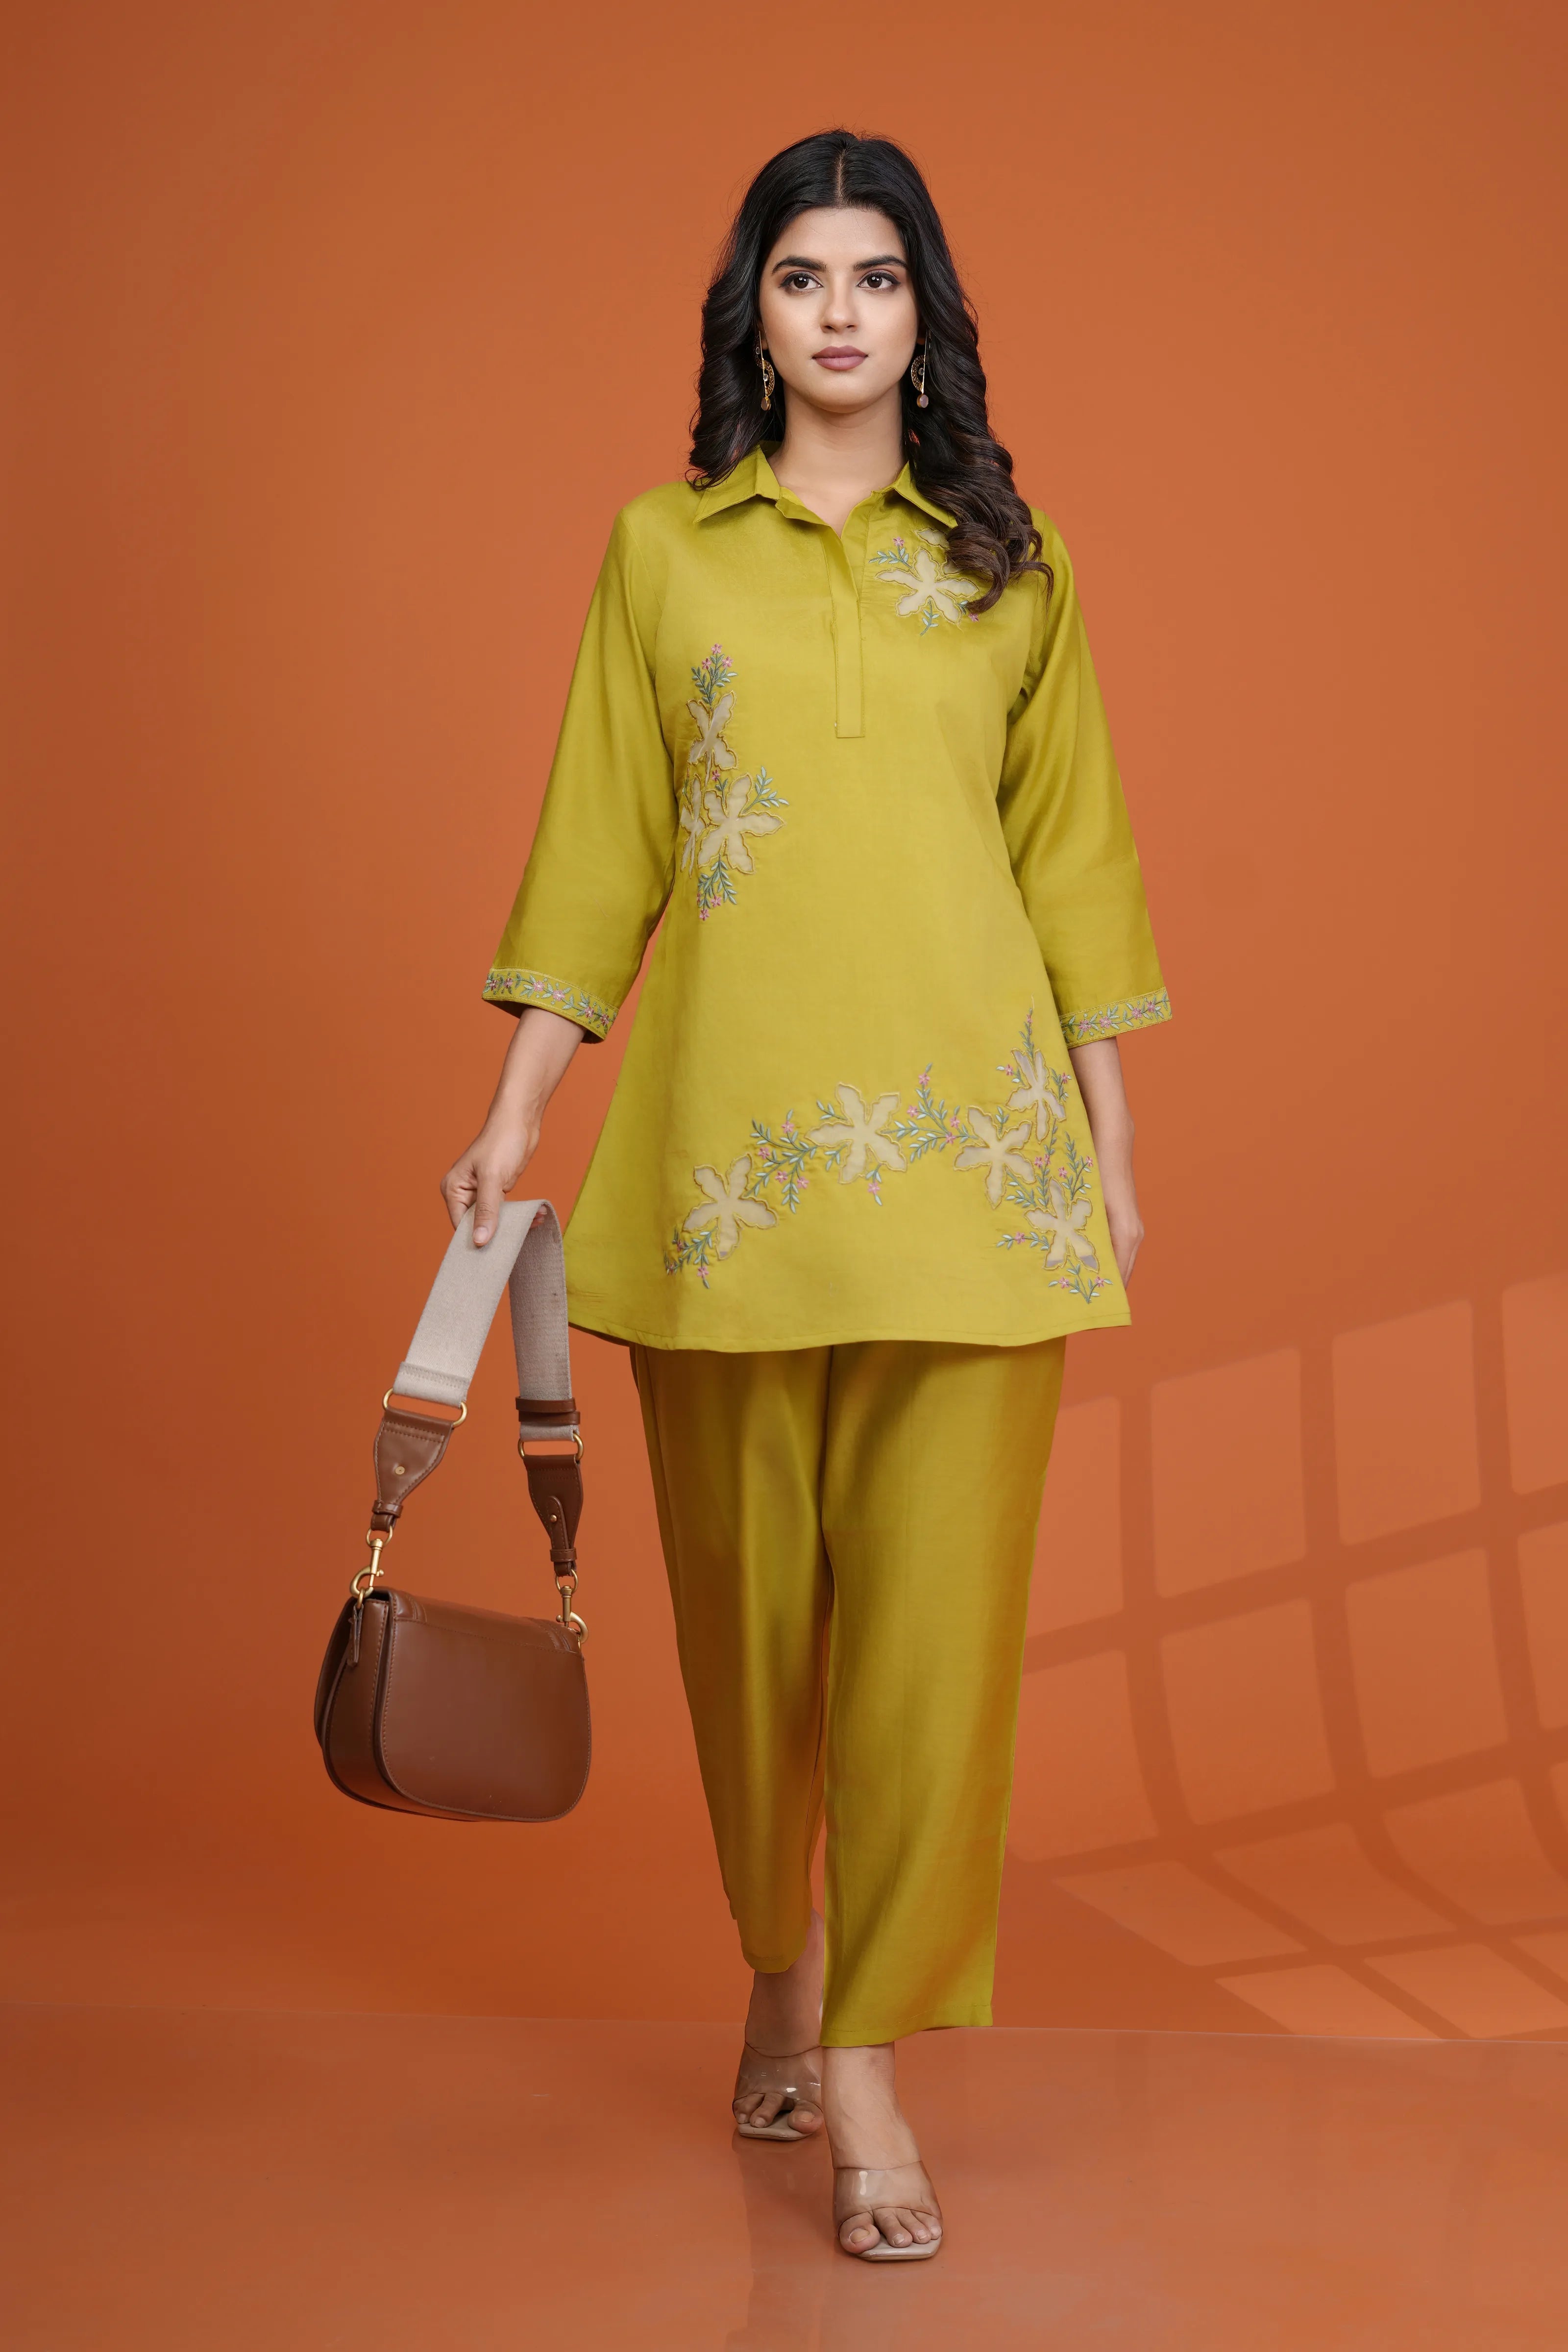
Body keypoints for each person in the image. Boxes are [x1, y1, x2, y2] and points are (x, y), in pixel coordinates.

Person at [441, 128, 1169, 2263]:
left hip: (978, 1183)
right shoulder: (665, 552)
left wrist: (1116, 1144)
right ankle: (782, 1952)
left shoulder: (1011, 563)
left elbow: (1075, 861)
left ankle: (861, 2065)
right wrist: (514, 1115)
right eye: (799, 276)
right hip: (727, 1184)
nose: (839, 312)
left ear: (923, 313)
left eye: (874, 275)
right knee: (751, 1635)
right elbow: (601, 840)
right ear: (748, 316)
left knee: (933, 1658)